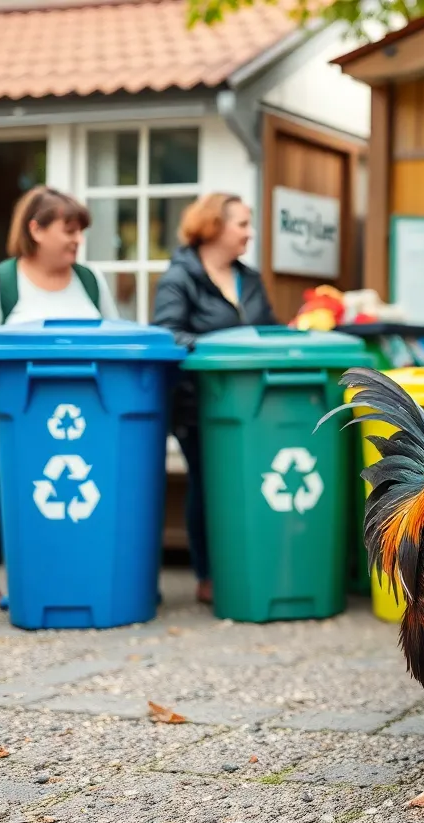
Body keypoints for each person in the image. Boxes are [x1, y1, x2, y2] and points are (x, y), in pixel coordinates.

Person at [0, 186, 118, 607]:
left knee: (88, 483)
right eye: (69, 230)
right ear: (36, 230)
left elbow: (114, 338)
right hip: (15, 410)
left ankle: (75, 567)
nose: (77, 240)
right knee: (8, 488)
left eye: (80, 232)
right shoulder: (0, 283)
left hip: (86, 410)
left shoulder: (90, 282)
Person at [153, 193, 276, 605]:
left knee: (245, 483)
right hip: (200, 404)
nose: (249, 232)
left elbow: (269, 331)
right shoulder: (180, 278)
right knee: (208, 485)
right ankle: (207, 574)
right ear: (213, 227)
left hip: (252, 406)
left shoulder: (250, 278)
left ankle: (247, 564)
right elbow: (166, 334)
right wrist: (220, 350)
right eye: (242, 224)